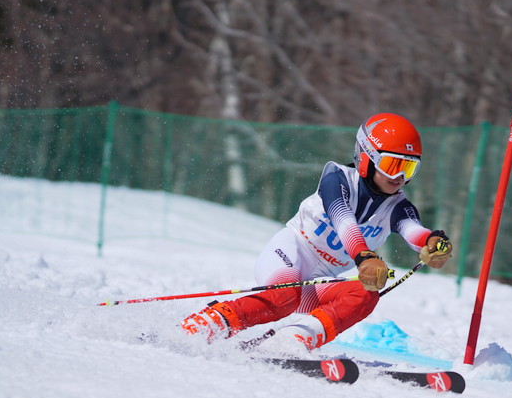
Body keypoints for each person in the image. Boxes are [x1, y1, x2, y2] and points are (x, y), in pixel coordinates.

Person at [179, 113, 453, 350]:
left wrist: (432, 243)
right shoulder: (337, 179)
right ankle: (205, 325)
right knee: (284, 297)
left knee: (365, 294)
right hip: (291, 253)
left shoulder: (397, 206)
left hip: (318, 283)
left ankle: (291, 341)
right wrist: (363, 256)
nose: (399, 177)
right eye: (393, 165)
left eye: (409, 168)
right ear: (367, 158)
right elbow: (343, 219)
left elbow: (413, 230)